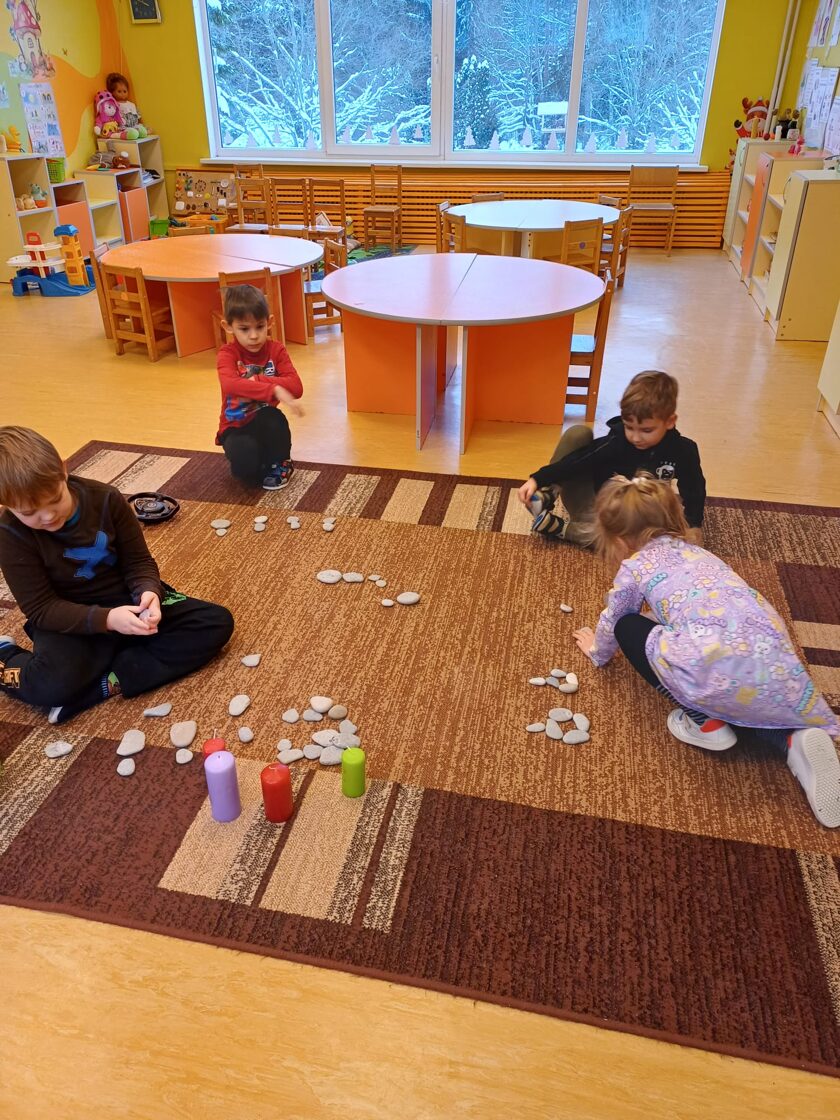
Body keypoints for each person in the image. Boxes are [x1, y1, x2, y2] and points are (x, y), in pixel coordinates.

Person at [572, 473, 840, 828]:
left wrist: (597, 650)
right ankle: (792, 738)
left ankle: (706, 723)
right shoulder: (699, 554)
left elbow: (615, 616)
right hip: (770, 657)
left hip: (710, 666)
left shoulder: (635, 568)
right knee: (747, 696)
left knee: (629, 627)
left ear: (619, 540)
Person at [0, 427, 234, 726]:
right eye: (29, 512)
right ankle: (5, 654)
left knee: (214, 622)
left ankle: (104, 683)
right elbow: (41, 609)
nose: (47, 516)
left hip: (125, 598)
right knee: (50, 685)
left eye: (55, 499)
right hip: (68, 617)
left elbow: (138, 562)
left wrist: (148, 592)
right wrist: (108, 620)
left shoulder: (106, 498)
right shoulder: (9, 533)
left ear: (62, 469)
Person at [517, 370, 706, 546]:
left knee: (643, 543)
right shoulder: (617, 440)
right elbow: (579, 460)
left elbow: (694, 490)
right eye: (629, 427)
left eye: (646, 430)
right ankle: (549, 492)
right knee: (577, 433)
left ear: (670, 421)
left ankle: (559, 529)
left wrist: (693, 526)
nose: (635, 438)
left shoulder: (684, 450)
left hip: (637, 519)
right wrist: (538, 479)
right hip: (599, 507)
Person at [216, 284, 304, 490]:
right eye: (244, 329)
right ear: (228, 326)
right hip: (235, 427)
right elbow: (230, 384)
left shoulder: (276, 350)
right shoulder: (227, 354)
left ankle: (281, 462)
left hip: (264, 420)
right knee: (245, 471)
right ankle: (262, 459)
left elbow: (296, 387)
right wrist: (273, 389)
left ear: (269, 322)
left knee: (273, 417)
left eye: (260, 326)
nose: (254, 336)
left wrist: (258, 381)